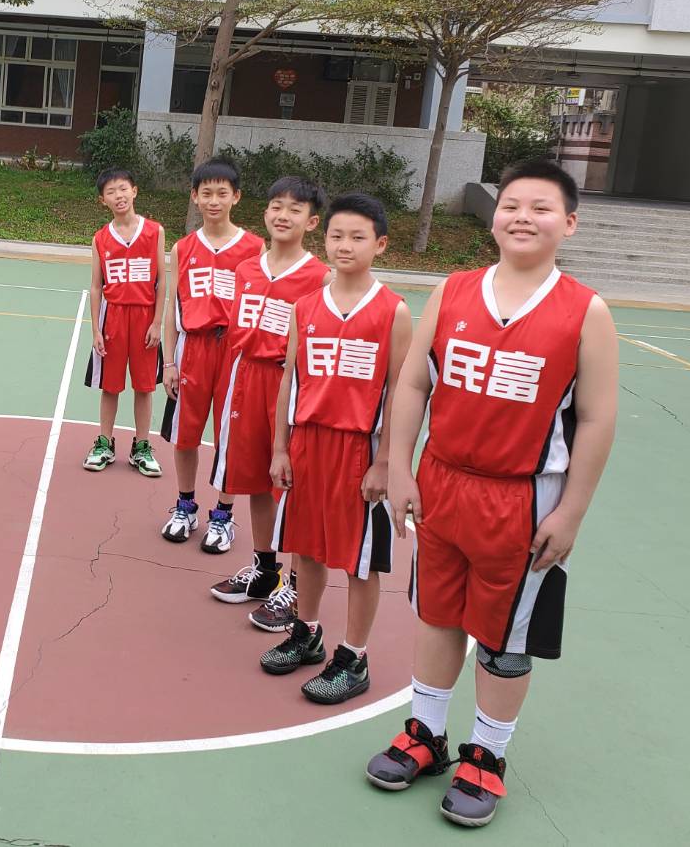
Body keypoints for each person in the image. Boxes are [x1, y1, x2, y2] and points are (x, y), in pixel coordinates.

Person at [364, 159, 618, 829]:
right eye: (511, 205)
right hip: (444, 484)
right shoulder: (453, 291)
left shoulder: (585, 311)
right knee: (437, 615)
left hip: (524, 499)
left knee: (506, 639)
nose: (522, 217)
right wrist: (399, 467)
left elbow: (596, 418)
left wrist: (571, 511)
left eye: (541, 207)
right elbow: (413, 383)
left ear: (569, 223)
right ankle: (426, 733)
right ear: (494, 214)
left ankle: (487, 754)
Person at [260, 193, 411, 705]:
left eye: (358, 237)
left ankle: (354, 655)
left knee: (360, 560)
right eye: (337, 236)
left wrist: (386, 462)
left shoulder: (393, 311)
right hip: (308, 443)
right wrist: (280, 447)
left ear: (380, 245)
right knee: (305, 546)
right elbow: (290, 380)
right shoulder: (305, 307)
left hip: (359, 450)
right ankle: (307, 632)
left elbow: (401, 393)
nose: (345, 245)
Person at [207, 177, 331, 618]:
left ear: (311, 222)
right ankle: (264, 569)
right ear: (264, 212)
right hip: (246, 377)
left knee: (288, 483)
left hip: (288, 383)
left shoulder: (320, 277)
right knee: (255, 479)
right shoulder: (247, 270)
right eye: (277, 206)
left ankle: (296, 586)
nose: (283, 215)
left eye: (295, 209)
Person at [158, 159, 264, 543]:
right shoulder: (183, 248)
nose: (214, 200)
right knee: (185, 434)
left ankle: (223, 515)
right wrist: (168, 362)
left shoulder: (254, 247)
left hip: (236, 353)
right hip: (193, 349)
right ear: (194, 196)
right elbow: (173, 307)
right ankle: (185, 506)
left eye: (222, 193)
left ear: (236, 197)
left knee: (229, 438)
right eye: (207, 193)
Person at [82, 168, 165, 478]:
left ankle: (141, 446)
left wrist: (157, 322)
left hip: (144, 317)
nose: (118, 195)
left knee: (144, 386)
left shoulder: (154, 231)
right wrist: (95, 329)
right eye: (111, 192)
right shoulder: (100, 238)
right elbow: (96, 287)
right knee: (110, 385)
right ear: (102, 200)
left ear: (134, 191)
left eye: (122, 189)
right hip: (113, 317)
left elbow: (161, 281)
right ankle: (104, 443)